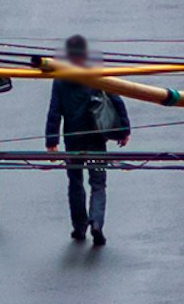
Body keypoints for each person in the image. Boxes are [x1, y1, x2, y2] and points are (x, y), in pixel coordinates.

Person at [45, 34, 131, 253]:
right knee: (98, 181)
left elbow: (54, 111)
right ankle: (97, 222)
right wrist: (123, 130)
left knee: (75, 181)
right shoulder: (95, 74)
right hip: (96, 139)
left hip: (73, 141)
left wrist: (51, 140)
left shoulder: (61, 79)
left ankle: (79, 226)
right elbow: (116, 100)